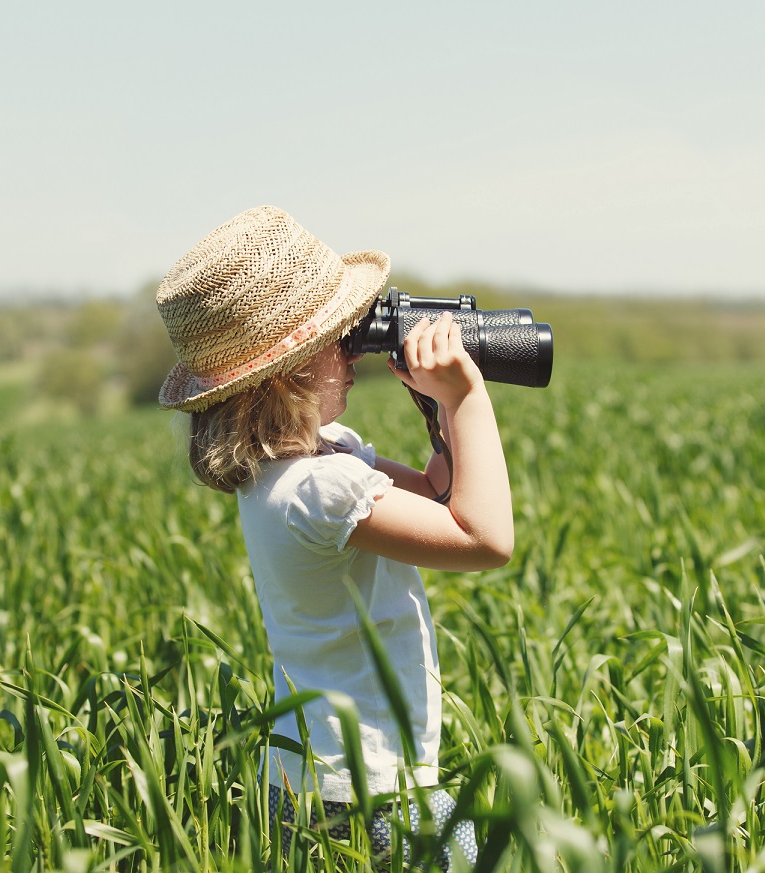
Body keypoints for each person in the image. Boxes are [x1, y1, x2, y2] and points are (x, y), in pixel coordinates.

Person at [155, 205, 513, 868]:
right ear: (288, 370)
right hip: (366, 791)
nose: (354, 346)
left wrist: (433, 405)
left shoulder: (303, 467)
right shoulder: (321, 491)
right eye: (337, 335)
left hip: (304, 776)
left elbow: (439, 492)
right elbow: (484, 537)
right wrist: (467, 396)